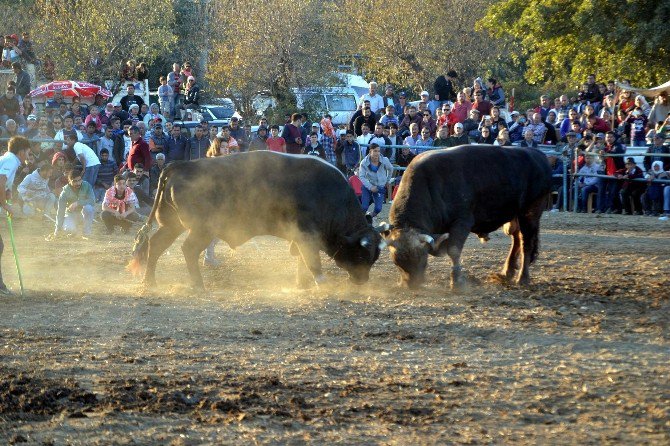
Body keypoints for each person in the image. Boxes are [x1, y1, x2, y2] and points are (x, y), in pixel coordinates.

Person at [0, 136, 30, 294]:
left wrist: (7, 193)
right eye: (27, 152)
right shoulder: (11, 161)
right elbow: (0, 181)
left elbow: (3, 184)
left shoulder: (8, 159)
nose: (28, 155)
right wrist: (4, 204)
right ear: (21, 151)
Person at [53, 169, 95, 238]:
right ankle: (74, 230)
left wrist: (78, 203)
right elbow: (60, 211)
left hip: (83, 213)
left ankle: (87, 233)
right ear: (69, 181)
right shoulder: (65, 192)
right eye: (75, 181)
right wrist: (57, 229)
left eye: (79, 180)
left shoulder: (87, 185)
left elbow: (92, 201)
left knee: (89, 208)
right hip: (71, 214)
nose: (78, 183)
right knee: (69, 229)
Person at [358, 143, 394, 219]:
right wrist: (370, 187)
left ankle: (370, 217)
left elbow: (391, 169)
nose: (377, 153)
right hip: (368, 186)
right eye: (375, 151)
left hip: (380, 187)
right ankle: (359, 219)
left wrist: (387, 180)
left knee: (378, 209)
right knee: (364, 207)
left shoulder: (385, 160)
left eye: (378, 151)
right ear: (370, 152)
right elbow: (361, 176)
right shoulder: (364, 162)